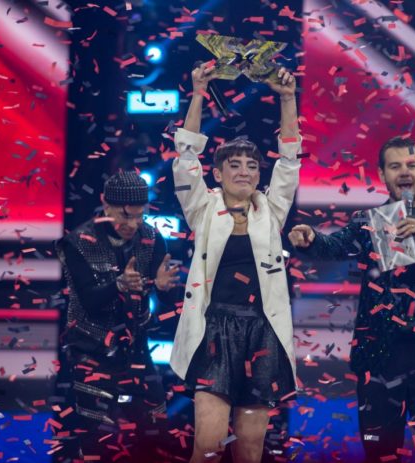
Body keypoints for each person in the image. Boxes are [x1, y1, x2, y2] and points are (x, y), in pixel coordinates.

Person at [288, 137, 415, 463]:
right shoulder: (368, 222)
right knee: (379, 454)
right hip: (378, 362)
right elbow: (334, 246)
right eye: (395, 166)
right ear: (382, 174)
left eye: (411, 165)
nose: (405, 172)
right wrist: (310, 238)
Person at [169, 62, 301, 463]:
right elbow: (186, 153)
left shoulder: (271, 211)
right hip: (214, 330)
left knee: (250, 449)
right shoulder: (202, 208)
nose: (244, 171)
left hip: (262, 332)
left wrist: (288, 98)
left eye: (251, 165)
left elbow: (290, 160)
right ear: (217, 172)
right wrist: (199, 91)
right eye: (235, 164)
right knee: (209, 447)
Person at [56, 171, 180, 462]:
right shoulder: (77, 243)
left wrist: (165, 289)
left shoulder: (152, 239)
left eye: (139, 216)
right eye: (125, 215)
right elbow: (89, 301)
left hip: (136, 349)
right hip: (91, 349)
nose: (132, 224)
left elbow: (167, 300)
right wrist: (119, 285)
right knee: (96, 440)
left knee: (156, 433)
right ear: (105, 204)